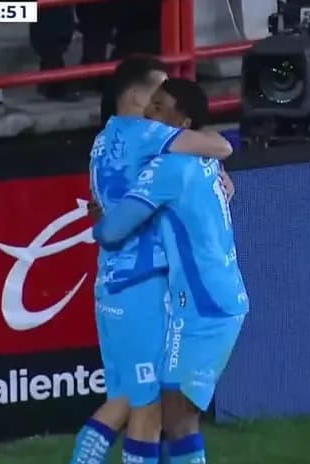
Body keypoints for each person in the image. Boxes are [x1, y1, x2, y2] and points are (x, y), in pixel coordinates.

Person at [75, 57, 234, 464]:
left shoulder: (101, 139)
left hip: (109, 284)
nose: (159, 105)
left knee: (130, 401)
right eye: (158, 95)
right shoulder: (146, 134)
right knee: (146, 411)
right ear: (135, 95)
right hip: (144, 284)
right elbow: (219, 144)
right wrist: (211, 164)